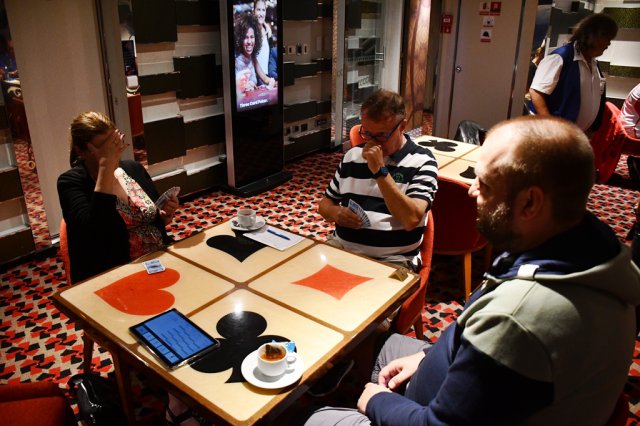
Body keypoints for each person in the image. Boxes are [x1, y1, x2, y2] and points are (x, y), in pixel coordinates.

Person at [306, 115, 640, 425]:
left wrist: (377, 402)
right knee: (375, 343)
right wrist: (426, 358)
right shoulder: (591, 252)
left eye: (486, 184)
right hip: (450, 380)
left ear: (530, 202)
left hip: (430, 414)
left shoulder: (516, 319)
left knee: (315, 418)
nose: (471, 190)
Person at [318, 89, 438, 272]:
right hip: (342, 249)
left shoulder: (422, 162)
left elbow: (411, 219)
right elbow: (324, 205)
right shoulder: (352, 156)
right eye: (367, 133)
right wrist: (335, 212)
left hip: (394, 260)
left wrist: (380, 171)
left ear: (402, 126)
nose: (373, 142)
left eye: (381, 135)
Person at [57, 111, 178, 283]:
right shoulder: (70, 182)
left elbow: (154, 220)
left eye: (114, 143)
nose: (113, 152)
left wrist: (163, 215)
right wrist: (105, 166)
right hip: (112, 274)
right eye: (104, 148)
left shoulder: (133, 169)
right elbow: (94, 234)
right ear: (81, 151)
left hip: (157, 260)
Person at [529, 13, 618, 132]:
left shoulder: (594, 63)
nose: (609, 44)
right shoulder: (559, 58)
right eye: (607, 39)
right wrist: (550, 127)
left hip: (575, 135)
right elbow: (536, 92)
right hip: (552, 135)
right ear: (594, 36)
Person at [234, 13, 276, 95]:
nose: (249, 42)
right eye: (246, 37)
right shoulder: (235, 59)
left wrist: (272, 81)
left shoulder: (252, 57)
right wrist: (243, 86)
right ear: (240, 39)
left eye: (252, 37)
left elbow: (265, 79)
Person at [253, 0, 273, 82]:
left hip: (267, 77)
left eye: (263, 10)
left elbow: (270, 58)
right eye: (258, 10)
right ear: (254, 11)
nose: (261, 14)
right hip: (254, 79)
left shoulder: (268, 31)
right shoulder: (251, 32)